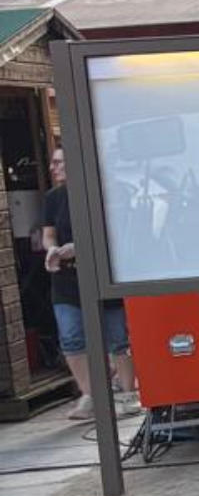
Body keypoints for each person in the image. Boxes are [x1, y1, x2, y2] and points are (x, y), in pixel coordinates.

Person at [41, 144, 134, 421]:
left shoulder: (104, 192)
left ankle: (128, 393)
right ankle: (91, 395)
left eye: (59, 162)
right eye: (53, 162)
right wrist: (51, 249)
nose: (53, 167)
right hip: (66, 277)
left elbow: (115, 231)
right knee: (70, 336)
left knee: (117, 337)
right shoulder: (53, 197)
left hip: (102, 272)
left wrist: (78, 247)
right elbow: (48, 233)